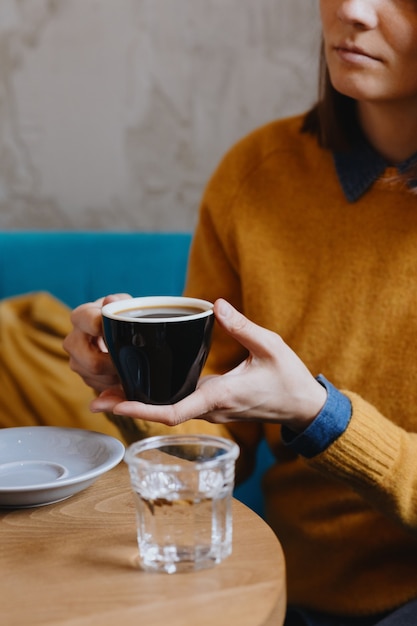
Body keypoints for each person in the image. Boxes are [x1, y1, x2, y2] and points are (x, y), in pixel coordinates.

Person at [63, 1, 417, 624]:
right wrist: (148, 384)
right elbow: (220, 444)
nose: (355, 11)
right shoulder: (256, 178)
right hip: (281, 589)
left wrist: (319, 413)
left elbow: (309, 410)